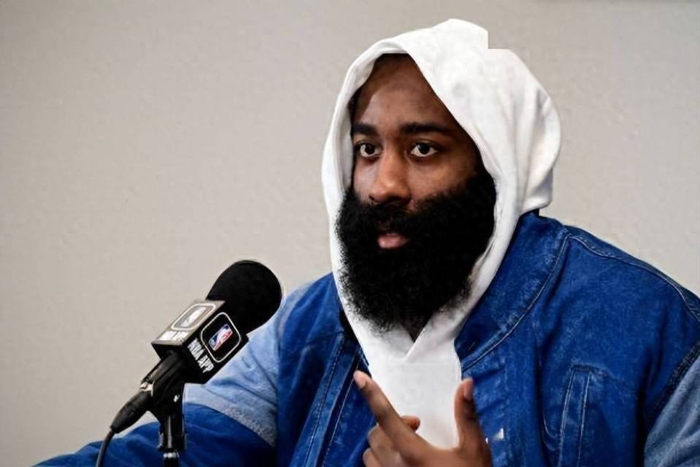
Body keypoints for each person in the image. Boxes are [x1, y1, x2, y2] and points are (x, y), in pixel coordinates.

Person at [40, 19, 699, 467]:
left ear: (497, 167)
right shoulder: (311, 325)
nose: (383, 184)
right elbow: (187, 446)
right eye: (367, 149)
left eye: (423, 148)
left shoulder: (649, 328)